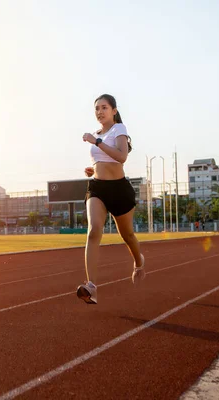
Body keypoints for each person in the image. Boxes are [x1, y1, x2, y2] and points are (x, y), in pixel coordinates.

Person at [76, 94, 144, 305]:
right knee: (94, 230)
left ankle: (139, 261)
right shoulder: (96, 134)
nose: (99, 112)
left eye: (104, 107)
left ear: (114, 110)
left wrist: (96, 141)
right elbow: (101, 160)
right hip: (97, 188)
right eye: (96, 108)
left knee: (128, 235)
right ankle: (92, 287)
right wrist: (93, 169)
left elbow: (121, 157)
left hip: (119, 189)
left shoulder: (119, 130)